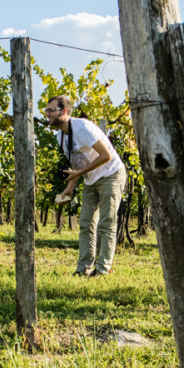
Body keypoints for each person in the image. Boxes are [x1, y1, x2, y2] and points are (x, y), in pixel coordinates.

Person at [46, 95, 127, 277]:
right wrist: (70, 188)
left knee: (106, 223)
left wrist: (79, 174)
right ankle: (83, 269)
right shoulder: (61, 136)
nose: (47, 114)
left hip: (111, 174)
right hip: (91, 179)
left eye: (51, 110)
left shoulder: (82, 127)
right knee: (86, 224)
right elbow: (77, 163)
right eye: (47, 110)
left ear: (64, 111)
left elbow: (106, 155)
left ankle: (102, 269)